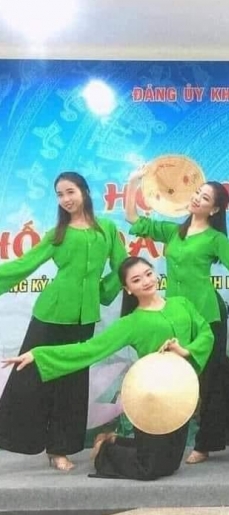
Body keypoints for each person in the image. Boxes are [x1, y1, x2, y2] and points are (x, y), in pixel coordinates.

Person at [2, 256, 214, 481]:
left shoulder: (182, 304)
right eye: (136, 280)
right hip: (152, 396)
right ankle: (105, 449)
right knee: (149, 468)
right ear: (128, 289)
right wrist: (38, 355)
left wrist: (185, 351)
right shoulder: (131, 323)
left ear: (156, 274)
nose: (146, 281)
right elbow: (89, 350)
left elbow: (206, 333)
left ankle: (114, 439)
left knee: (170, 464)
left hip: (182, 391)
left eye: (148, 274)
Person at [126, 169, 229, 464]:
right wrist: (133, 182)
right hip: (177, 314)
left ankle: (206, 444)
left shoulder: (214, 239)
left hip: (207, 314)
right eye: (198, 193)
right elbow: (134, 219)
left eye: (206, 198)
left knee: (208, 379)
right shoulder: (174, 231)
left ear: (214, 209)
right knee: (221, 373)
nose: (198, 198)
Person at [0, 172, 128, 471]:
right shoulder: (56, 234)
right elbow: (23, 265)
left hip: (84, 319)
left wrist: (104, 291)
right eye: (59, 194)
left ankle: (59, 449)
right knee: (29, 379)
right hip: (49, 315)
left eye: (70, 191)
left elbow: (122, 266)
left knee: (72, 385)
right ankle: (14, 439)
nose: (66, 199)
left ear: (84, 191)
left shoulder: (107, 229)